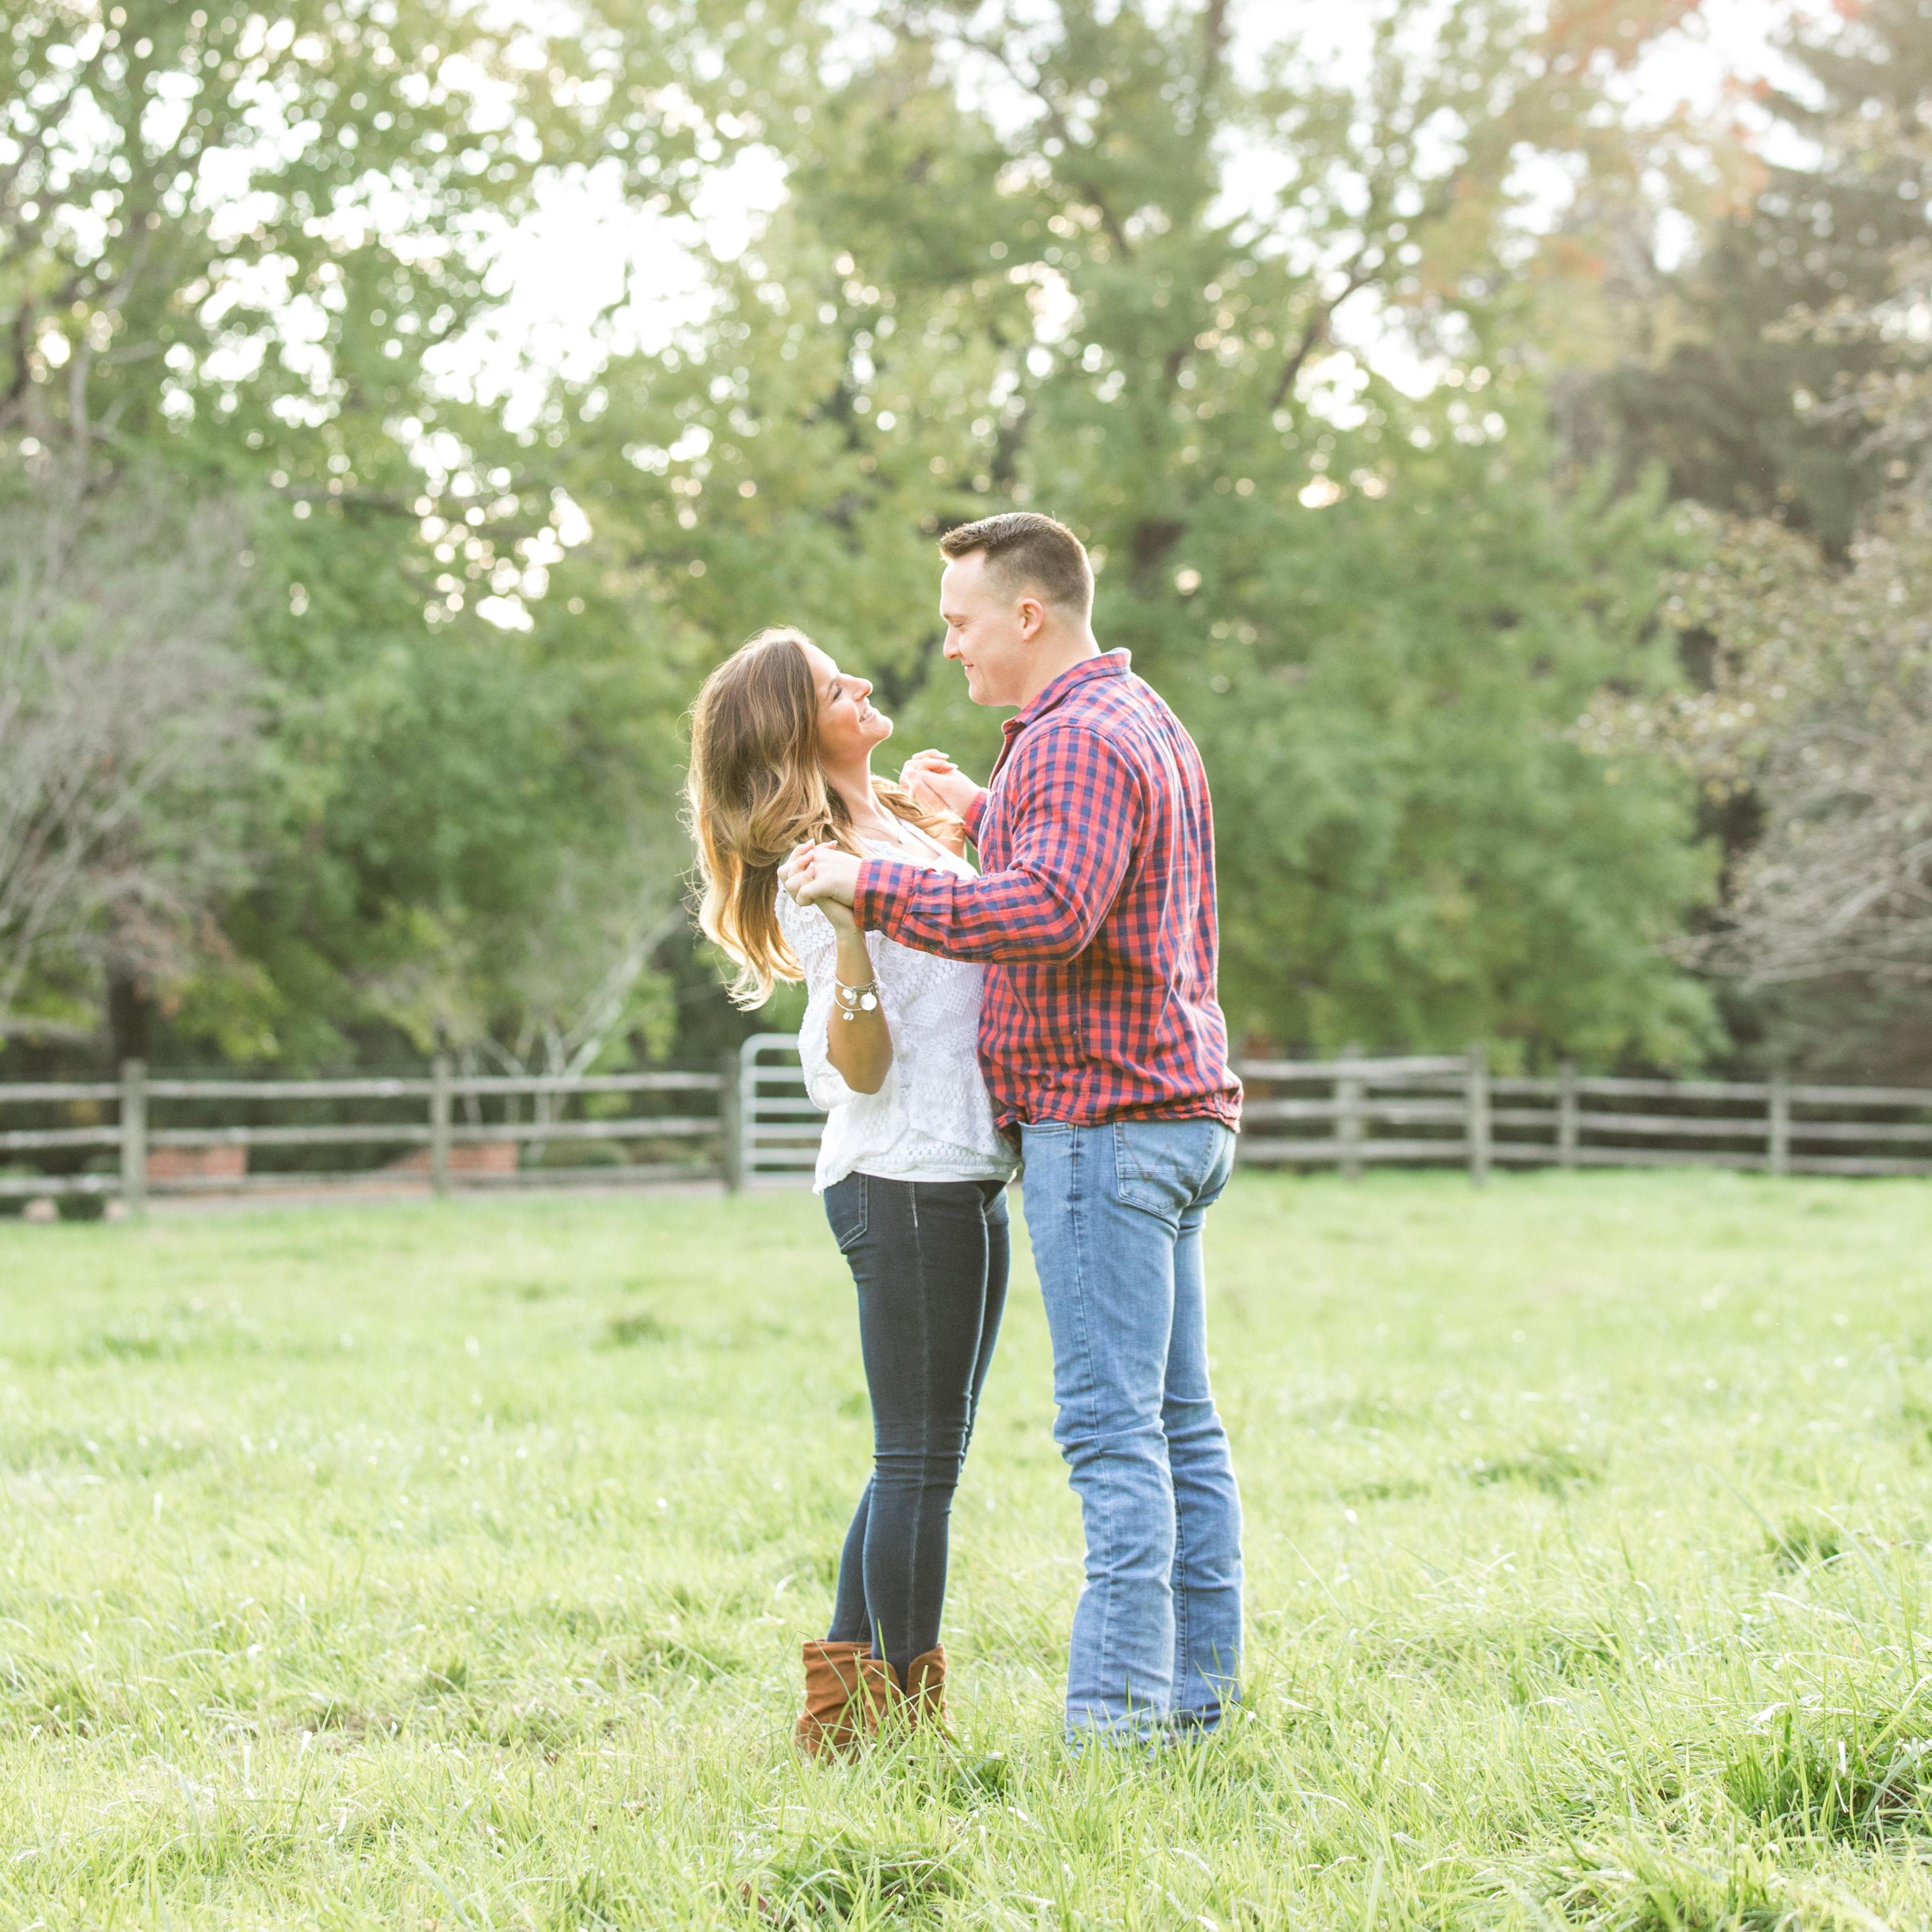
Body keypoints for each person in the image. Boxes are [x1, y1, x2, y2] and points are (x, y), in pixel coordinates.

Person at [784, 512, 1245, 1747]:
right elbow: (1082, 880)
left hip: (1105, 1121)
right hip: (1169, 1114)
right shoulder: (1132, 719)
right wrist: (985, 817)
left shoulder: (1074, 741)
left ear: (1027, 615)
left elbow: (1052, 913)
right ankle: (1193, 1708)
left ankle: (1123, 1729)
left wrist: (876, 882)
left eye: (961, 623)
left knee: (1113, 1438)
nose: (949, 649)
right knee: (1175, 1431)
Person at [685, 625, 1018, 1757]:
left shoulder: (897, 823)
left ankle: (841, 1716)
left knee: (926, 1457)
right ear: (794, 729)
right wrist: (855, 932)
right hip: (902, 1175)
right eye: (836, 686)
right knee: (918, 1462)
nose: (865, 682)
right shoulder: (811, 864)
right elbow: (856, 1071)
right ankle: (903, 1723)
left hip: (964, 1171)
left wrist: (973, 818)